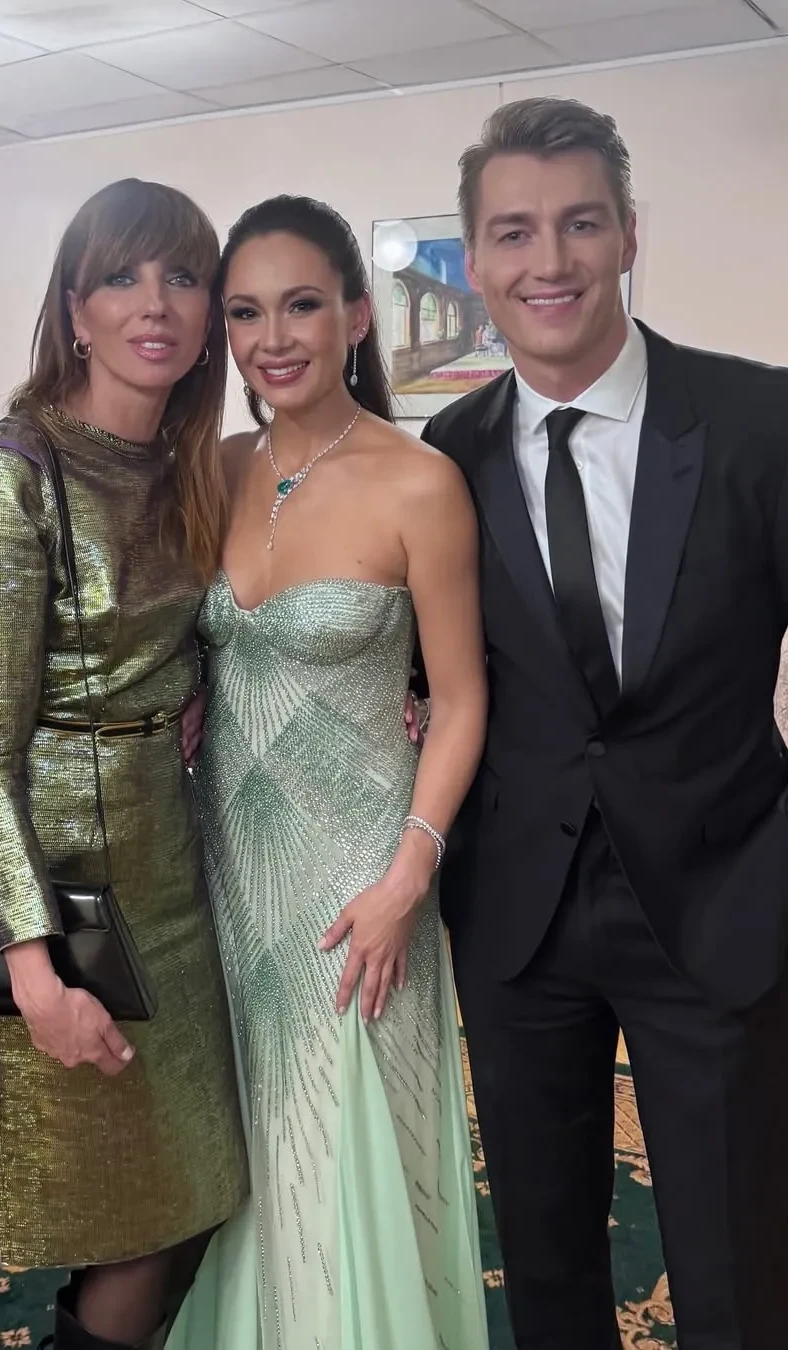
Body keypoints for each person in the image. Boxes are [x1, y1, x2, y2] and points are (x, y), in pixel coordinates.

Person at [421, 97, 788, 1349]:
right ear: (476, 264)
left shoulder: (759, 423)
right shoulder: (447, 455)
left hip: (722, 901)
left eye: (581, 223)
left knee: (739, 1272)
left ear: (630, 235)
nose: (551, 260)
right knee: (547, 1264)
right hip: (517, 917)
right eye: (514, 232)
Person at [167, 196, 490, 1350]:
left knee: (344, 1153)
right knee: (252, 1155)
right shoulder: (209, 469)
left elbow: (462, 700)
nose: (273, 337)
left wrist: (409, 878)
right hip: (227, 871)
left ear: (356, 316)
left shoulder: (420, 482)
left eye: (301, 304)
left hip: (363, 878)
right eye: (245, 311)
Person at [0, 178, 248, 1350]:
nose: (154, 303)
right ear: (76, 309)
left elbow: (181, 630)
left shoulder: (185, 463)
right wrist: (31, 968)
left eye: (183, 277)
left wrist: (198, 683)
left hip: (174, 874)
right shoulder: (12, 477)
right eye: (122, 277)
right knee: (133, 1221)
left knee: (199, 1189)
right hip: (69, 901)